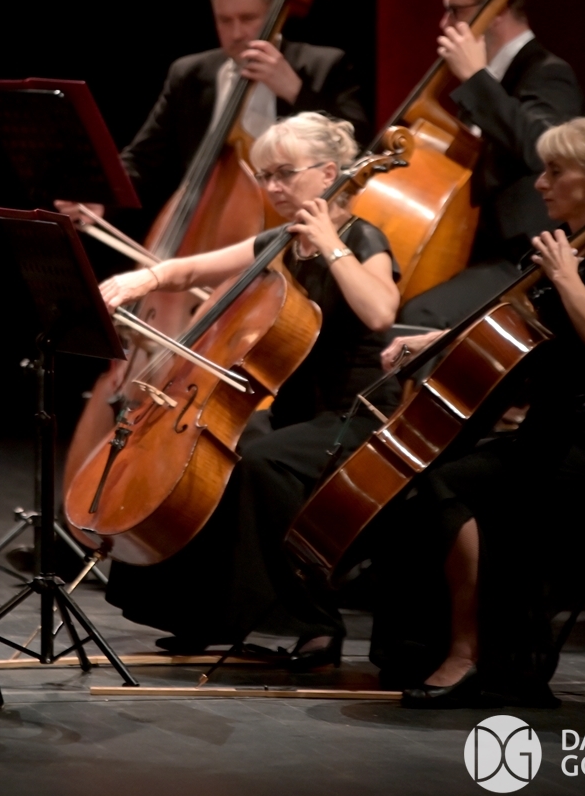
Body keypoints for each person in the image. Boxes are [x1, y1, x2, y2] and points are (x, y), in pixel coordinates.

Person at [369, 117, 585, 708]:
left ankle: (471, 655)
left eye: (555, 171)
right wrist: (432, 342)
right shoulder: (571, 248)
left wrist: (564, 276)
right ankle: (440, 649)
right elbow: (511, 334)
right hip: (550, 433)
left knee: (452, 489)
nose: (540, 183)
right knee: (429, 486)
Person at [96, 112, 400, 662]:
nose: (273, 187)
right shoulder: (281, 240)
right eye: (266, 176)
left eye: (285, 173)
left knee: (263, 465)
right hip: (298, 414)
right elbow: (192, 270)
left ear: (328, 173)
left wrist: (331, 244)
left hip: (356, 413)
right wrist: (144, 277)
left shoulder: (364, 238)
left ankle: (318, 622)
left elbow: (381, 310)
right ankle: (196, 614)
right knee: (209, 458)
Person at [55, 0, 366, 228]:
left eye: (248, 19)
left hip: (299, 223)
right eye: (224, 20)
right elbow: (143, 157)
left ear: (276, 13)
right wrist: (102, 197)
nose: (237, 33)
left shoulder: (322, 65)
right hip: (206, 226)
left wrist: (295, 91)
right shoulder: (190, 74)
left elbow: (359, 145)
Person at [398, 0, 585, 328]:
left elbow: (543, 149)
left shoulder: (547, 73)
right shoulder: (488, 80)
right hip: (474, 248)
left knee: (420, 315)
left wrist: (476, 79)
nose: (445, 23)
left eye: (455, 11)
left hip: (522, 256)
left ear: (496, 9)